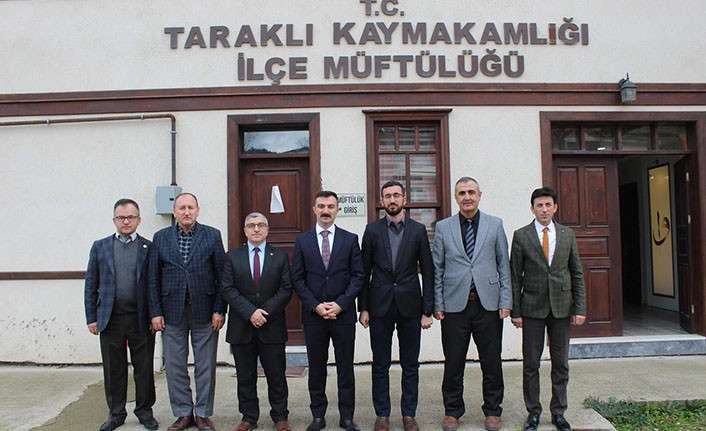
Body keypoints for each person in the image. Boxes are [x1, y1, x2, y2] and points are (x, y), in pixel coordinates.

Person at [432, 177, 512, 431]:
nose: (467, 197)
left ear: (479, 195)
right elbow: (437, 268)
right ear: (455, 197)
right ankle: (452, 411)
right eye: (461, 193)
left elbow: (504, 265)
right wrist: (437, 303)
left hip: (488, 305)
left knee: (491, 361)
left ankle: (493, 410)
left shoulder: (495, 224)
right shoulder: (443, 227)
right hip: (454, 305)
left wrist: (506, 300)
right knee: (453, 361)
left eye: (471, 192)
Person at [358, 180, 434, 431]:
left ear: (404, 199)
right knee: (380, 364)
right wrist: (363, 307)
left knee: (410, 364)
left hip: (411, 307)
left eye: (396, 195)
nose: (392, 200)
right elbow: (363, 272)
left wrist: (427, 310)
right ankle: (382, 414)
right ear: (382, 201)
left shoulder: (418, 230)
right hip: (379, 307)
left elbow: (429, 271)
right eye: (387, 196)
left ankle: (409, 414)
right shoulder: (372, 231)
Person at [148, 193, 226, 431]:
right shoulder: (160, 238)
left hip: (205, 312)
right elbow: (153, 278)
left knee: (206, 366)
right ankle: (183, 413)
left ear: (198, 210)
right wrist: (155, 312)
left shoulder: (212, 235)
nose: (186, 212)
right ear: (175, 212)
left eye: (191, 207)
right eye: (181, 208)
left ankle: (202, 414)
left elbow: (222, 276)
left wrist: (219, 309)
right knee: (174, 366)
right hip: (171, 312)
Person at [510, 187, 586, 431]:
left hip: (562, 308)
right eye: (539, 205)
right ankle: (533, 412)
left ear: (555, 208)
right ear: (532, 209)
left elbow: (576, 273)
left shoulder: (567, 234)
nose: (544, 209)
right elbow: (515, 277)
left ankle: (558, 412)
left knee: (561, 363)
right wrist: (516, 311)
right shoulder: (521, 235)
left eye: (548, 205)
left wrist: (580, 307)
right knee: (531, 364)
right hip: (532, 308)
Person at [291, 191, 364, 431]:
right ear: (314, 209)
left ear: (337, 210)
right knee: (317, 368)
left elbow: (358, 276)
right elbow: (297, 279)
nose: (325, 210)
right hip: (314, 316)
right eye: (321, 206)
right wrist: (316, 306)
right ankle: (318, 416)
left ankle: (346, 417)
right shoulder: (302, 241)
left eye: (330, 206)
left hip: (343, 315)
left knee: (345, 368)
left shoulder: (350, 239)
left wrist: (341, 304)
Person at [84, 198, 158, 431]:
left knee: (144, 368)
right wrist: (91, 317)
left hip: (140, 319)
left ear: (139, 220)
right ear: (114, 220)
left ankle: (144, 411)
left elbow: (154, 284)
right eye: (121, 217)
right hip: (110, 319)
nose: (126, 221)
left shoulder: (149, 247)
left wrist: (155, 314)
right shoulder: (100, 247)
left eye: (131, 217)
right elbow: (91, 284)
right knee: (113, 369)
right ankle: (116, 413)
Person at [221, 212, 293, 431]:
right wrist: (251, 312)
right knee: (245, 376)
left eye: (261, 225)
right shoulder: (232, 256)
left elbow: (286, 289)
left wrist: (264, 312)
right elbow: (227, 288)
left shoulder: (279, 256)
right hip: (242, 326)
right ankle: (249, 417)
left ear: (267, 230)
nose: (256, 229)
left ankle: (280, 416)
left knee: (276, 375)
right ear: (244, 230)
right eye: (251, 225)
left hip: (272, 326)